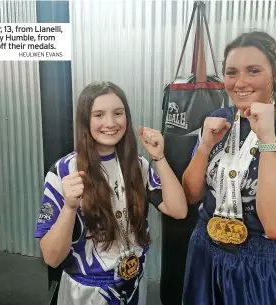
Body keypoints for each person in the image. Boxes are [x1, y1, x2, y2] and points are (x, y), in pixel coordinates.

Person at [181, 31, 276, 305]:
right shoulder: (217, 120)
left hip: (267, 266)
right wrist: (204, 147)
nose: (240, 82)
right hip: (206, 250)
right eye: (231, 72)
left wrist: (268, 140)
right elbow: (191, 195)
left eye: (253, 71)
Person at [35, 81, 188, 305]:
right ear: (85, 120)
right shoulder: (63, 171)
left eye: (118, 113)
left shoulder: (137, 165)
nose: (110, 123)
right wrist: (69, 207)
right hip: (88, 290)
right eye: (99, 114)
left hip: (134, 281)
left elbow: (178, 210)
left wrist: (159, 158)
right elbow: (52, 257)